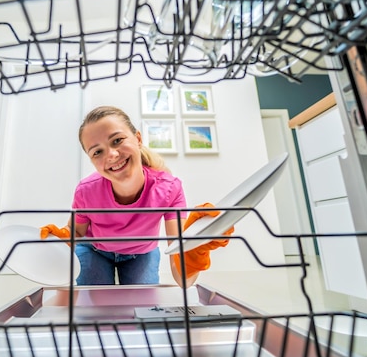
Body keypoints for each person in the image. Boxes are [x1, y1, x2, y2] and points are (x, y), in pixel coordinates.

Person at [41, 105, 231, 287]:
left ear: (138, 139)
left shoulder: (169, 189)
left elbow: (183, 281)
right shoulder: (85, 191)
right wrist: (59, 242)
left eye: (117, 140)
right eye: (98, 151)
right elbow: (77, 232)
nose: (112, 155)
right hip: (95, 250)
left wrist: (194, 248)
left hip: (142, 253)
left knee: (141, 310)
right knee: (95, 308)